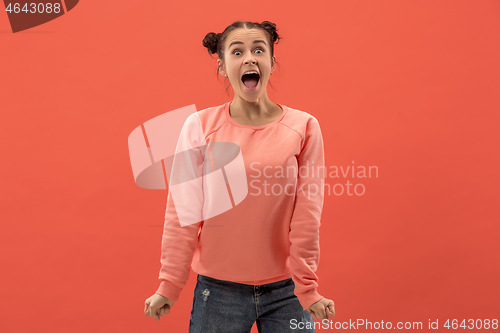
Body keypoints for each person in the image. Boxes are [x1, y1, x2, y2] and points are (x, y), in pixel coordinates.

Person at [144, 20, 335, 332]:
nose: (250, 58)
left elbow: (307, 216)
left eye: (259, 50)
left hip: (286, 291)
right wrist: (169, 284)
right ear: (222, 66)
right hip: (218, 291)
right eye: (238, 51)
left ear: (271, 63)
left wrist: (306, 287)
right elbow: (183, 212)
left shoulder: (304, 127)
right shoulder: (200, 126)